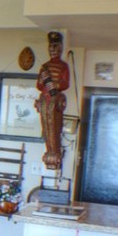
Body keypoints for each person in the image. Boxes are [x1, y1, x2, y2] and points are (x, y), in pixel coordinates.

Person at [35, 31, 69, 170]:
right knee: (45, 126)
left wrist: (56, 85)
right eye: (51, 46)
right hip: (45, 99)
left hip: (55, 99)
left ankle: (54, 150)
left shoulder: (63, 66)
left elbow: (65, 83)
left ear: (60, 48)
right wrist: (42, 81)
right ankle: (49, 149)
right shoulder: (44, 66)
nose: (53, 49)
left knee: (54, 126)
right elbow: (38, 85)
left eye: (55, 46)